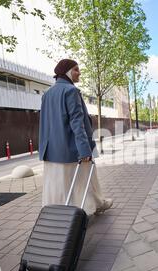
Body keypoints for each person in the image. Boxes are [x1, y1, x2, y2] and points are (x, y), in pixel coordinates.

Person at [39, 59, 113, 215]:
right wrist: (85, 150)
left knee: (57, 183)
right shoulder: (71, 91)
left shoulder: (47, 94)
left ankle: (57, 211)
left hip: (51, 150)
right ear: (67, 72)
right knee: (84, 179)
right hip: (72, 148)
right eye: (76, 69)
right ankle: (89, 208)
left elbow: (45, 123)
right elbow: (76, 123)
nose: (79, 73)